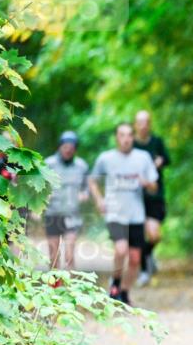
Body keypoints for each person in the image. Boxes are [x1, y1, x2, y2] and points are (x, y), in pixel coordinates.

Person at [88, 122, 158, 306]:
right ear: (116, 138)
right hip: (115, 214)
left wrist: (147, 183)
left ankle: (124, 293)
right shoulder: (106, 158)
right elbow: (92, 181)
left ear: (133, 137)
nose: (126, 139)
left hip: (136, 215)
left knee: (135, 259)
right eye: (122, 135)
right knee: (121, 249)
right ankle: (115, 285)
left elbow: (154, 186)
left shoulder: (143, 158)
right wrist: (99, 200)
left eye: (129, 135)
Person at [132, 110, 170, 286]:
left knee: (154, 235)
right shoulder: (130, 145)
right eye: (140, 122)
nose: (143, 125)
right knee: (138, 236)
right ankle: (144, 271)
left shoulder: (157, 142)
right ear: (135, 125)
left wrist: (160, 162)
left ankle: (147, 254)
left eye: (146, 122)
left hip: (155, 195)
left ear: (150, 124)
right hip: (135, 197)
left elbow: (167, 159)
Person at [43, 130, 90, 270]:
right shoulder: (48, 164)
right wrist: (44, 196)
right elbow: (37, 187)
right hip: (53, 214)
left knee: (70, 256)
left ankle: (70, 291)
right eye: (65, 147)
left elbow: (87, 187)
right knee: (54, 256)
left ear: (75, 149)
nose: (68, 151)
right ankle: (55, 289)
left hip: (72, 215)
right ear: (60, 147)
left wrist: (84, 194)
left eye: (71, 148)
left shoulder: (82, 166)